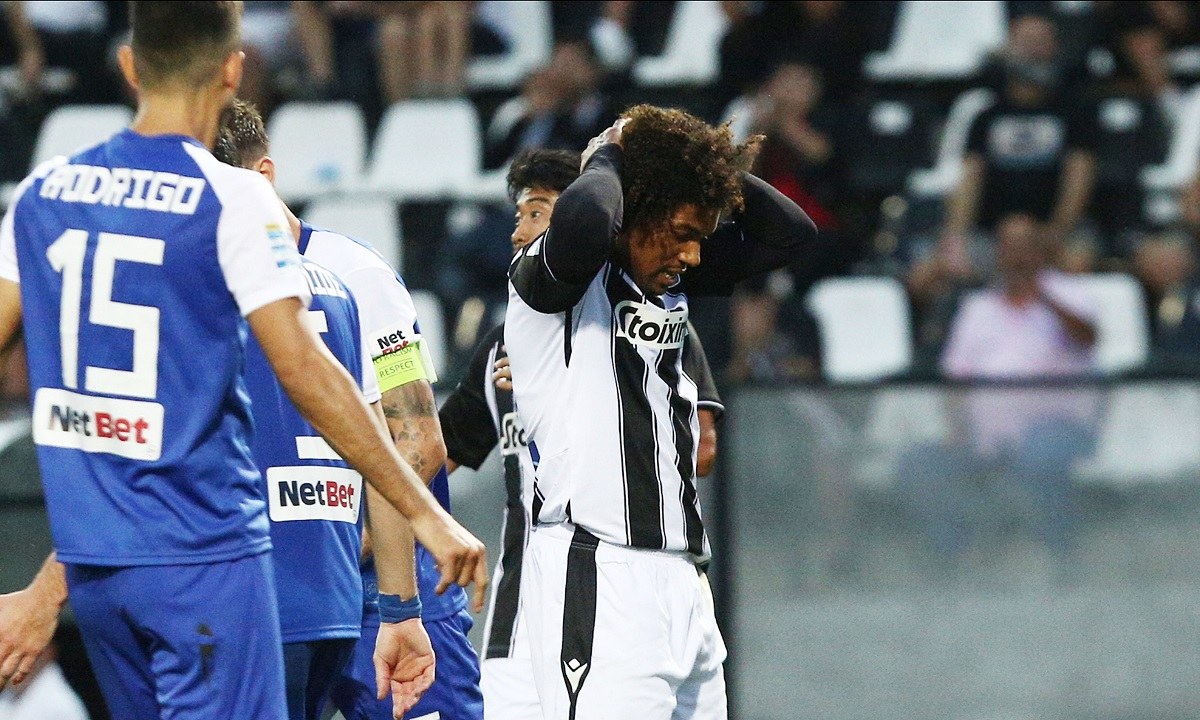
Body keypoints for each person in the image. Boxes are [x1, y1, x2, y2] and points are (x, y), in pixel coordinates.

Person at [0, 3, 486, 718]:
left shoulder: (44, 193)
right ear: (232, 70)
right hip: (208, 565)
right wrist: (427, 515)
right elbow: (308, 372)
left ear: (129, 67)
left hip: (102, 573)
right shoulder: (234, 201)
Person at [504, 105, 817, 718]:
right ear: (637, 212)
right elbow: (588, 218)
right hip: (601, 568)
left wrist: (698, 164)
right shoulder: (552, 278)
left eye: (700, 236)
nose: (693, 255)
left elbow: (793, 235)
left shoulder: (663, 277)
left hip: (685, 581)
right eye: (681, 231)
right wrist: (612, 153)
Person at [209, 99, 485, 720]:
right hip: (295, 588)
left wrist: (335, 544)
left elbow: (418, 442)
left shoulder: (358, 274)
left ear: (264, 176)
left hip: (388, 586)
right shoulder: (219, 282)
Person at [439, 148, 727, 719]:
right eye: (519, 215)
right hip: (524, 608)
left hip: (625, 577)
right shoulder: (503, 344)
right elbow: (436, 455)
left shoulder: (654, 318)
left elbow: (703, 449)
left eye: (538, 212)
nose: (519, 230)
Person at [898, 213, 1099, 566]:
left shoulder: (1071, 292)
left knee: (1040, 453)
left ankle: (1057, 557)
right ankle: (953, 559)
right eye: (1009, 247)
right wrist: (957, 428)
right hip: (985, 437)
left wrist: (1044, 299)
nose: (1017, 256)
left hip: (1059, 429)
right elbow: (956, 378)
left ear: (1041, 251)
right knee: (919, 464)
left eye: (1025, 247)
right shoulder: (978, 307)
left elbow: (1088, 338)